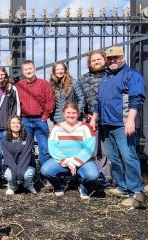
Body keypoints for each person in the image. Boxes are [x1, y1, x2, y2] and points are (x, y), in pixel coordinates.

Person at [90, 46, 145, 207]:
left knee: (128, 157)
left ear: (122, 57)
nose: (113, 61)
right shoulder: (106, 77)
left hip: (122, 124)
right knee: (114, 158)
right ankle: (122, 187)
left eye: (116, 58)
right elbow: (99, 101)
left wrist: (130, 120)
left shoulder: (131, 75)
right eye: (110, 58)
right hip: (107, 124)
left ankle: (136, 193)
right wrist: (94, 117)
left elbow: (137, 98)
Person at [41, 102, 100, 199]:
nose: (71, 115)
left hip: (83, 162)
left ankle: (83, 187)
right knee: (45, 170)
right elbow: (53, 148)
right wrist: (68, 162)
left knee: (93, 175)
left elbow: (89, 149)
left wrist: (74, 162)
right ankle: (61, 186)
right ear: (63, 114)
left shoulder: (86, 127)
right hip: (63, 161)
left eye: (74, 113)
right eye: (68, 113)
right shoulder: (56, 128)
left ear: (78, 114)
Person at [16, 60, 55, 176]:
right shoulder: (19, 86)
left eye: (30, 68)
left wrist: (44, 116)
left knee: (44, 149)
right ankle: (32, 173)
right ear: (23, 72)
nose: (28, 71)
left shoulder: (44, 84)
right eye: (26, 69)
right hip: (25, 120)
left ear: (35, 69)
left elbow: (50, 101)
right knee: (27, 149)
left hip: (40, 120)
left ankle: (45, 174)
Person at [80, 50, 111, 184]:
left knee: (111, 150)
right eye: (93, 60)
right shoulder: (84, 79)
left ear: (104, 60)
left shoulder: (111, 76)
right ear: (89, 63)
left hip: (111, 119)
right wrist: (84, 114)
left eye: (99, 59)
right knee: (97, 150)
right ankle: (98, 177)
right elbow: (80, 99)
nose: (96, 62)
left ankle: (109, 177)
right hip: (92, 121)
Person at [2, 115, 36, 195]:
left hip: (26, 165)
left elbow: (26, 156)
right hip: (12, 166)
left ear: (21, 125)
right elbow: (7, 158)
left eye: (18, 123)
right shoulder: (5, 139)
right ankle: (12, 186)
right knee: (8, 175)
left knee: (27, 175)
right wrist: (15, 171)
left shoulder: (28, 137)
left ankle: (27, 185)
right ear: (9, 125)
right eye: (13, 123)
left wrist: (19, 171)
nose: (16, 125)